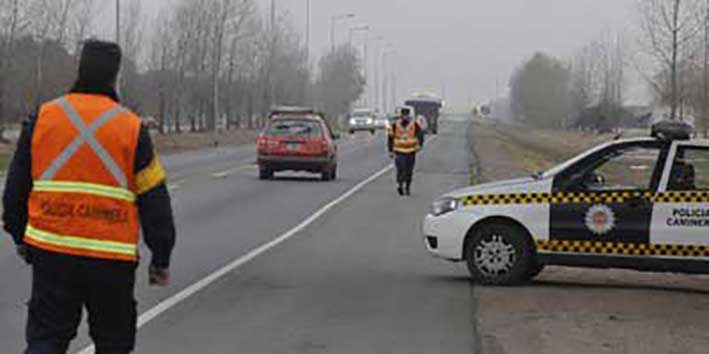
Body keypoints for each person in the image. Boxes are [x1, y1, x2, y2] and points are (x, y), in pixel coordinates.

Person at [2, 40, 176, 354]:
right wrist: (160, 257)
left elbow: (15, 191)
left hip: (52, 253)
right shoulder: (131, 129)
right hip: (111, 259)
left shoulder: (43, 118)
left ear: (79, 69)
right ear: (115, 77)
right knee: (113, 342)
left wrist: (20, 236)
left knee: (46, 338)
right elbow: (155, 201)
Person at [388, 107, 425, 196]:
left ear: (409, 116)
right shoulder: (394, 125)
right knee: (401, 169)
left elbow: (420, 135)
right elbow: (390, 138)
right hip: (399, 151)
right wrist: (390, 151)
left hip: (411, 151)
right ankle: (400, 185)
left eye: (406, 115)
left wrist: (420, 145)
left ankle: (407, 187)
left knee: (409, 171)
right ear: (401, 116)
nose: (405, 117)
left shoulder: (414, 124)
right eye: (403, 115)